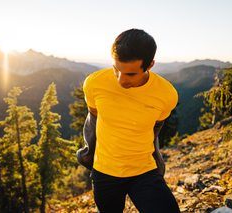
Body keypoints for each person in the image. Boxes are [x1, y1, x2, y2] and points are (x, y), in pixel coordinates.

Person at [76, 29, 180, 213]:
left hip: (144, 171)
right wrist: (88, 154)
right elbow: (93, 119)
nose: (120, 80)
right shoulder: (94, 83)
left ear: (150, 65)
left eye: (130, 74)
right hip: (104, 173)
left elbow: (155, 128)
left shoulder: (166, 94)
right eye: (116, 69)